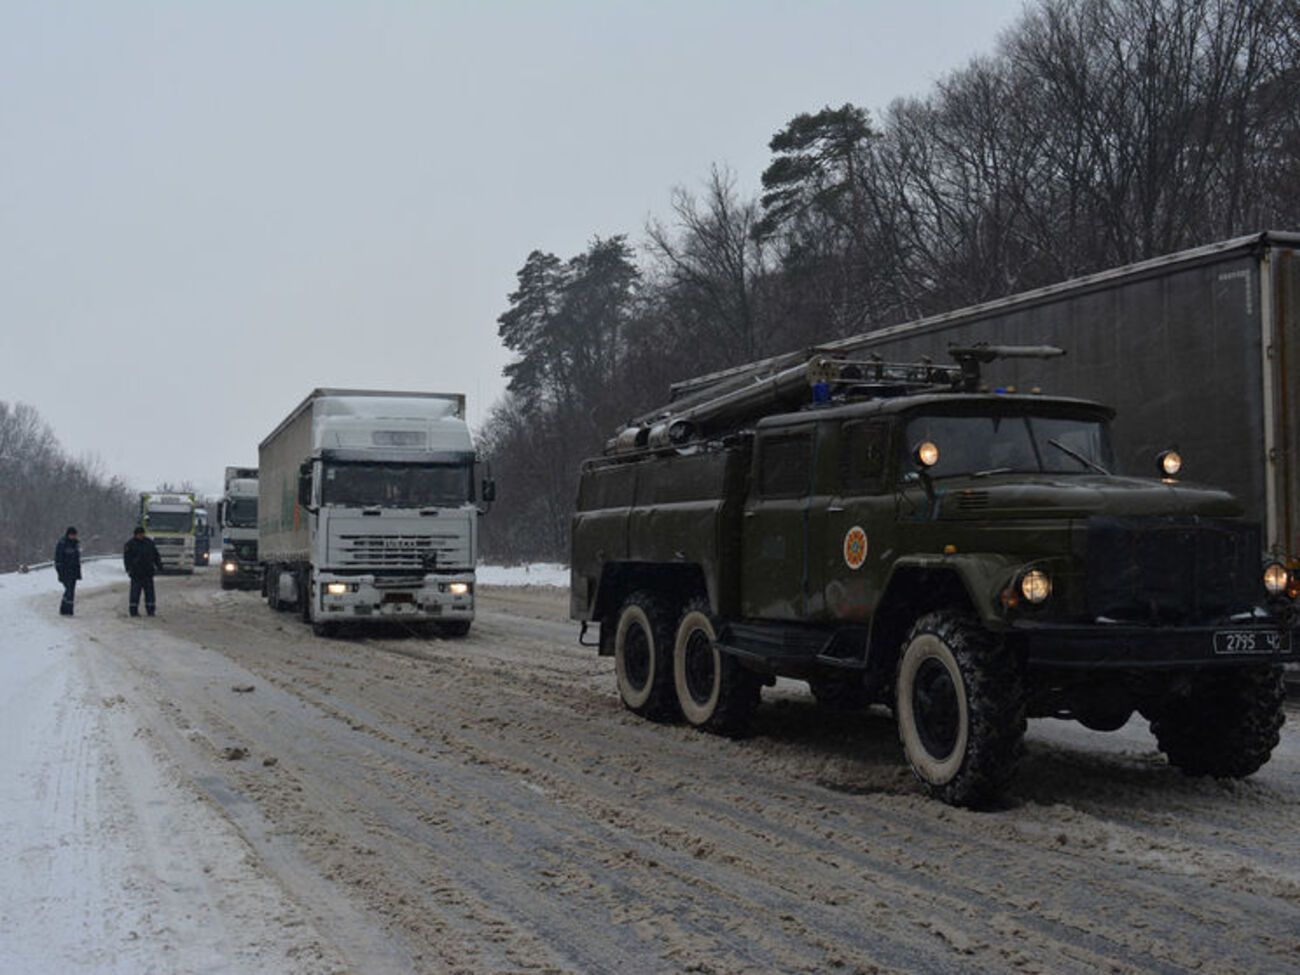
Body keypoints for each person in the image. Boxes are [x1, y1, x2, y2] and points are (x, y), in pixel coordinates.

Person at [123, 526, 163, 617]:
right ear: (135, 535)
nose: (141, 535)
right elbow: (127, 558)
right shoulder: (130, 544)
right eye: (139, 534)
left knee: (150, 593)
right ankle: (133, 611)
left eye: (142, 534)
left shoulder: (149, 543)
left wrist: (159, 565)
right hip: (136, 574)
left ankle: (150, 610)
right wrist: (128, 569)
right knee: (135, 593)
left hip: (148, 573)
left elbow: (156, 555)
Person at [54, 526, 82, 616]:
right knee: (69, 590)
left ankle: (68, 609)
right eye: (72, 535)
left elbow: (77, 559)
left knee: (71, 591)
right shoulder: (62, 544)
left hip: (73, 571)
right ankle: (66, 609)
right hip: (65, 571)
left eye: (75, 535)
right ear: (68, 535)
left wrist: (78, 571)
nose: (74, 537)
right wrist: (60, 571)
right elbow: (58, 558)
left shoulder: (75, 544)